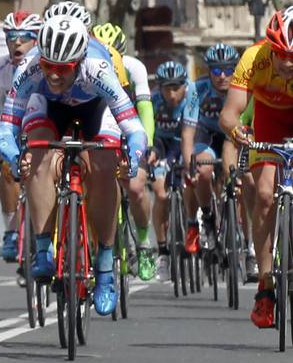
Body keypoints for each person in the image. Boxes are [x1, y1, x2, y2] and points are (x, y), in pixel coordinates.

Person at [0, 13, 146, 318]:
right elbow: (6, 128)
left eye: (61, 69)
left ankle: (104, 267)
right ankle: (42, 248)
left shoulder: (98, 67)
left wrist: (135, 154)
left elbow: (133, 126)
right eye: (48, 66)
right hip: (48, 107)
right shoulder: (30, 67)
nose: (53, 75)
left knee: (104, 166)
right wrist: (14, 157)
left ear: (78, 61)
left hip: (95, 109)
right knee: (36, 156)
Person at [222, 7, 293, 330]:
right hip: (269, 121)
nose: (287, 63)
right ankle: (266, 283)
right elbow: (230, 114)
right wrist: (240, 133)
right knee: (264, 195)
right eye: (281, 54)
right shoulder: (253, 58)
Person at [93, 21, 158, 281]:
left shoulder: (134, 67)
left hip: (130, 128)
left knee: (135, 187)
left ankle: (143, 243)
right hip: (101, 128)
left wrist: (148, 143)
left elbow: (145, 110)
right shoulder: (87, 66)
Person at [0, 10, 41, 263]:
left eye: (25, 37)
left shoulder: (43, 65)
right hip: (14, 126)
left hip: (42, 123)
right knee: (8, 167)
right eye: (11, 37)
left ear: (37, 40)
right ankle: (11, 230)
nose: (17, 43)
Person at [185, 43, 240, 257]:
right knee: (203, 171)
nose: (222, 75)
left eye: (228, 69)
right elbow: (188, 129)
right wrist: (189, 161)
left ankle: (243, 232)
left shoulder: (241, 87)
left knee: (242, 181)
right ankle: (207, 216)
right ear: (209, 71)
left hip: (232, 136)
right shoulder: (197, 89)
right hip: (206, 134)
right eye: (217, 70)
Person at [149, 59, 195, 263]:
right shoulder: (152, 99)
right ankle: (162, 249)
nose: (172, 95)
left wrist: (188, 165)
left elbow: (187, 136)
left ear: (185, 85)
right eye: (167, 90)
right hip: (161, 144)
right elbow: (147, 133)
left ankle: (193, 221)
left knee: (190, 177)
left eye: (176, 89)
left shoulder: (192, 95)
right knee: (160, 193)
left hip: (183, 140)